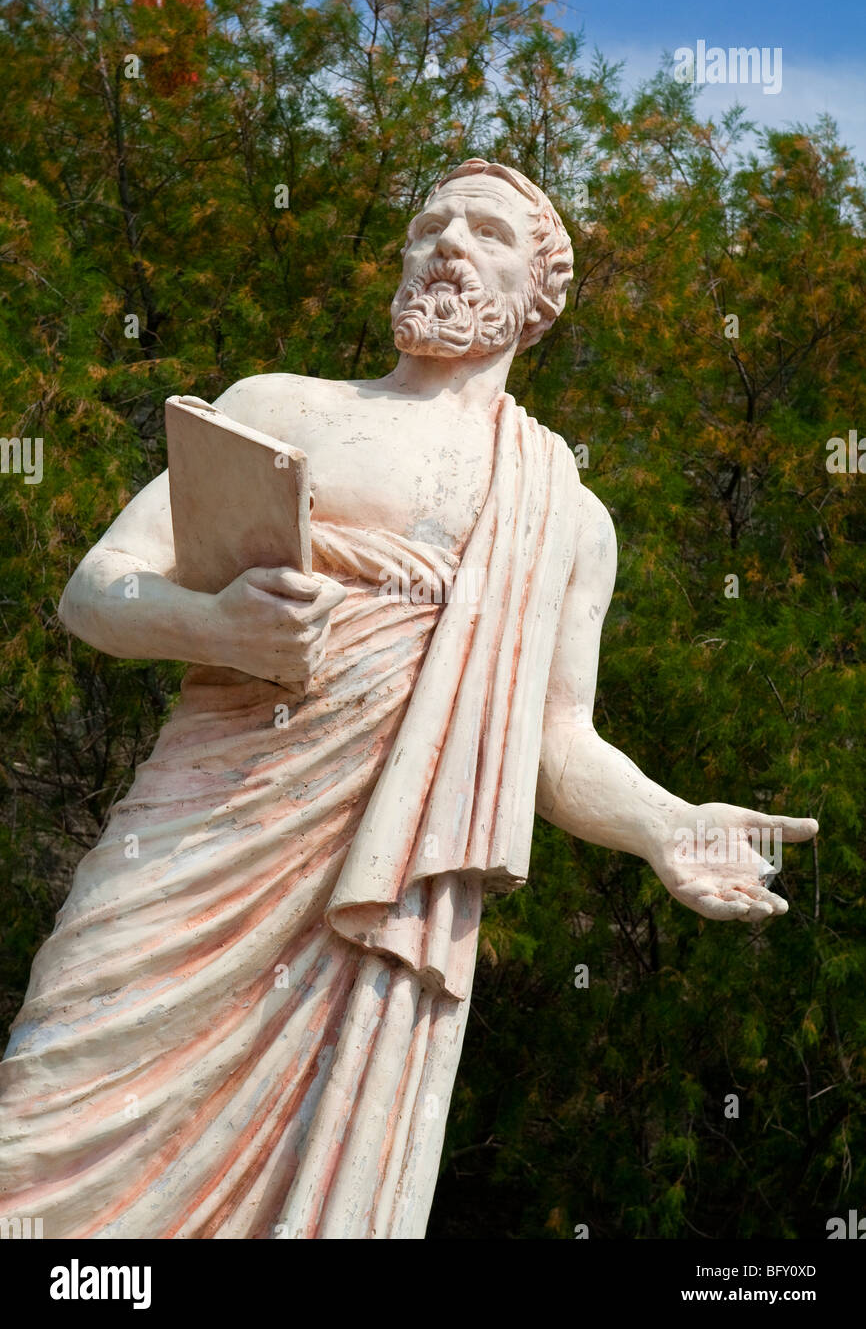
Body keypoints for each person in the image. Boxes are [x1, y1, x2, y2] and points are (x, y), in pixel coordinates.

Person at [0, 159, 817, 1239]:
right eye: (429, 223)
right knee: (46, 1121)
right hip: (199, 840)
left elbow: (552, 742)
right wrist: (211, 625)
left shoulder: (566, 516)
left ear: (538, 295)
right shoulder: (280, 409)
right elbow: (97, 589)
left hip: (382, 899)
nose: (446, 241)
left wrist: (666, 824)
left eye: (485, 230)